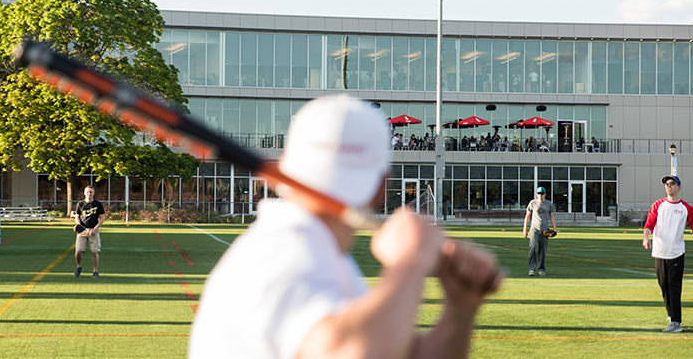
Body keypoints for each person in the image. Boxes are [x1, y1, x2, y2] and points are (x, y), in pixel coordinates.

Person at [188, 95, 502, 359]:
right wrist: (410, 263)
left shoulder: (319, 253)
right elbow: (354, 351)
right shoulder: (285, 252)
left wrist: (460, 308)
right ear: (383, 187)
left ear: (283, 166)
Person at [643, 175, 693, 333]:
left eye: (672, 184)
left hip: (676, 253)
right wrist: (646, 237)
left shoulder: (686, 208)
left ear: (679, 187)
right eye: (666, 184)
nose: (668, 186)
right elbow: (649, 224)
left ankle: (676, 322)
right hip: (659, 252)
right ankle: (672, 315)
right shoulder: (658, 205)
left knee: (674, 287)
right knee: (663, 286)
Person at [73, 185, 106, 279]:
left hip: (93, 230)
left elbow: (102, 217)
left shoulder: (98, 204)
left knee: (94, 252)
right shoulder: (80, 204)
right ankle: (79, 267)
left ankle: (95, 271)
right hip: (82, 231)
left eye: (91, 192)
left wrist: (95, 229)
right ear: (84, 193)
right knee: (78, 251)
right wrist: (79, 225)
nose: (89, 194)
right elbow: (77, 216)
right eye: (87, 192)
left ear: (94, 193)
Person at [522, 186, 557, 276]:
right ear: (536, 194)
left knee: (542, 250)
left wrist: (555, 229)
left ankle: (541, 269)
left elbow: (552, 216)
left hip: (545, 230)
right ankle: (531, 269)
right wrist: (524, 229)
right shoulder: (532, 203)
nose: (540, 195)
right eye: (538, 193)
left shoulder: (549, 204)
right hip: (534, 229)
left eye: (542, 193)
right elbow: (527, 216)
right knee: (533, 247)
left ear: (545, 194)